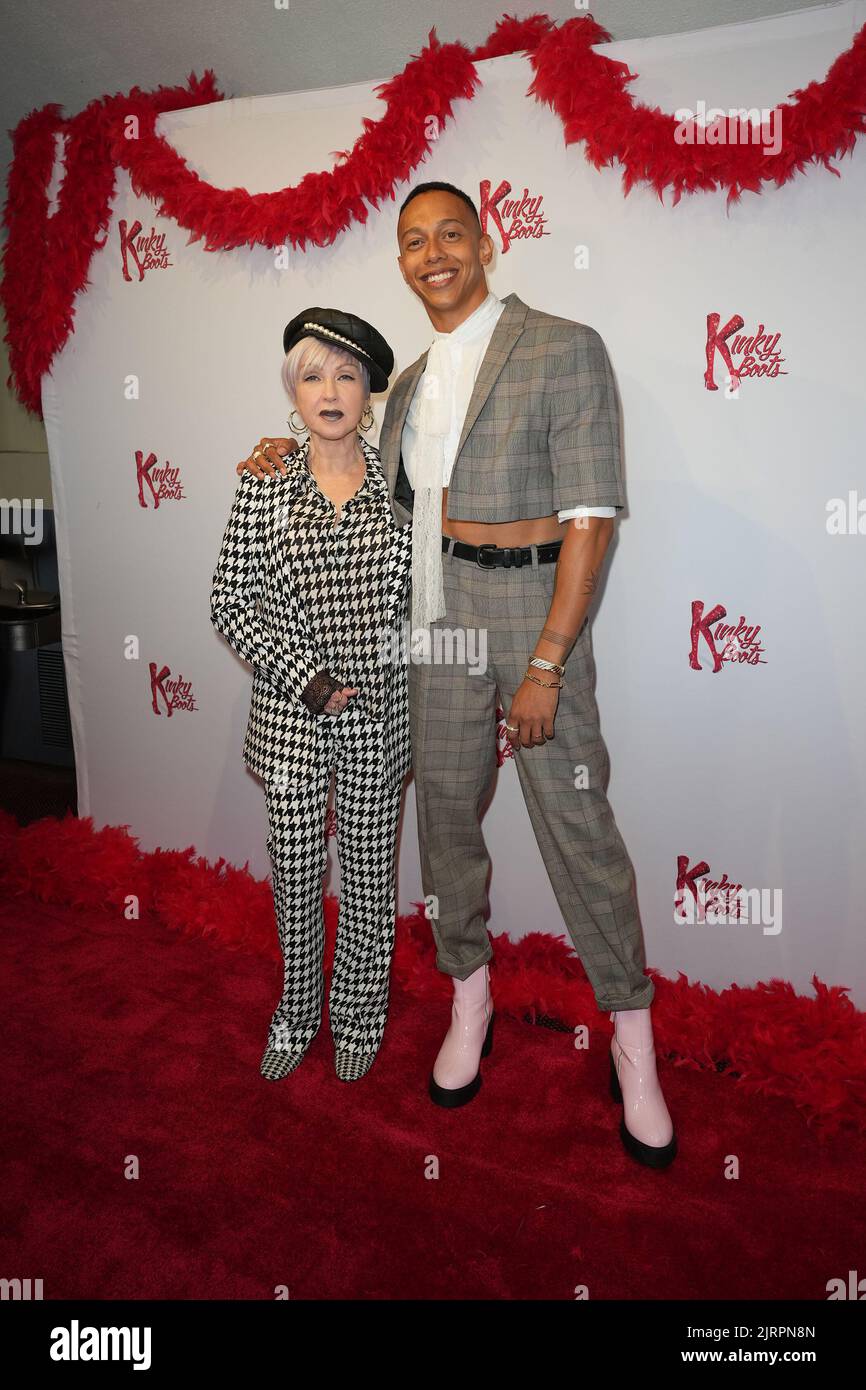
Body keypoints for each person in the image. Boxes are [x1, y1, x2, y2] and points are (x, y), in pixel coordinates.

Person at [235, 183, 677, 1167]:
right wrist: (279, 455)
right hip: (431, 633)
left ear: (485, 241)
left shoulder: (564, 346)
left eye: (448, 234)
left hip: (528, 623)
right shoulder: (417, 380)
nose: (431, 253)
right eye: (411, 242)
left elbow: (590, 518)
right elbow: (358, 476)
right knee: (441, 825)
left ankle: (631, 1039)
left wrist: (547, 664)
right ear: (399, 262)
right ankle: (466, 998)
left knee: (578, 831)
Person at [211, 309, 412, 1083]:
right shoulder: (265, 482)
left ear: (369, 391)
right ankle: (296, 1012)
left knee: (367, 875)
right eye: (312, 375)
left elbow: (420, 602)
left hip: (376, 716)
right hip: (293, 718)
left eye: (347, 375)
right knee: (295, 875)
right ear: (292, 391)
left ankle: (360, 1013)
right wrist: (308, 679)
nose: (330, 390)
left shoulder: (403, 486)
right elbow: (231, 604)